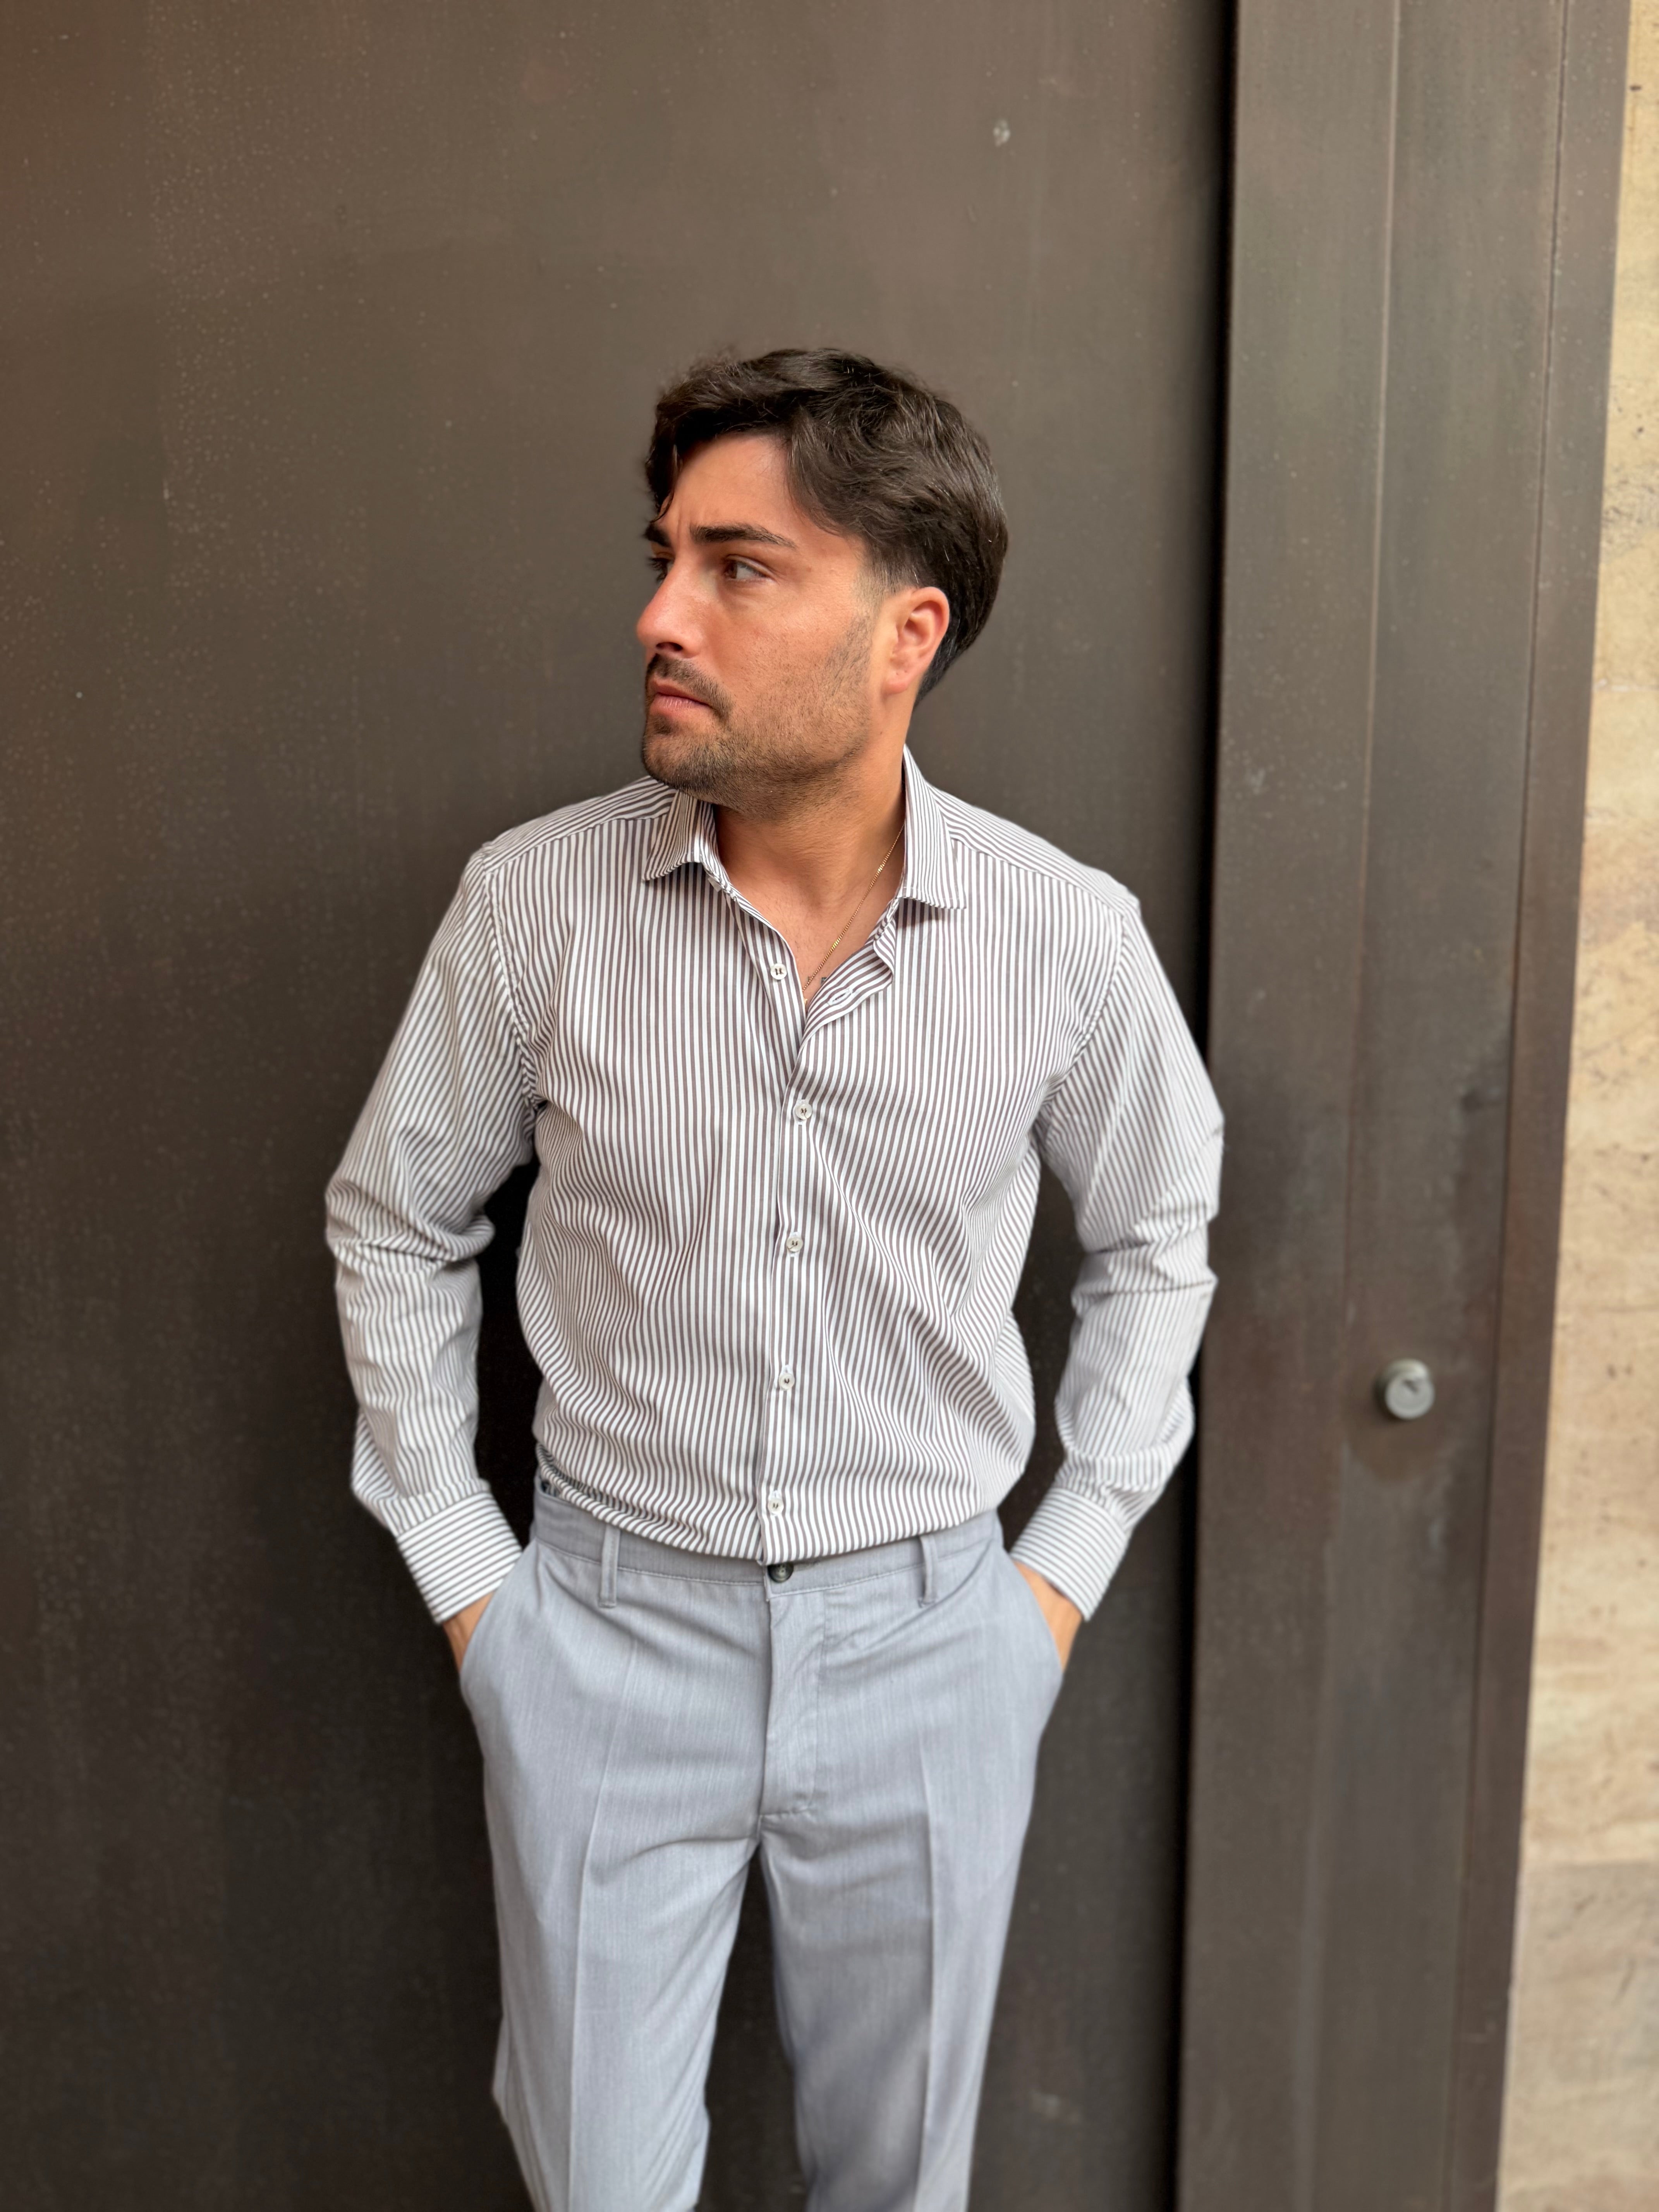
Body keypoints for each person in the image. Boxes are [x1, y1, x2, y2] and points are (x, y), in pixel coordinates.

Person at [325, 348, 1223, 2212]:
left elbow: (1159, 1244)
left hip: (933, 1649)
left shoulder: (1065, 938)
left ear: (909, 631)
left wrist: (1045, 1594)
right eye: (664, 557)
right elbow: (396, 1219)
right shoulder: (534, 905)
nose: (661, 616)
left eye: (739, 567)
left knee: (900, 2186)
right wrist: (480, 1594)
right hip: (601, 1640)